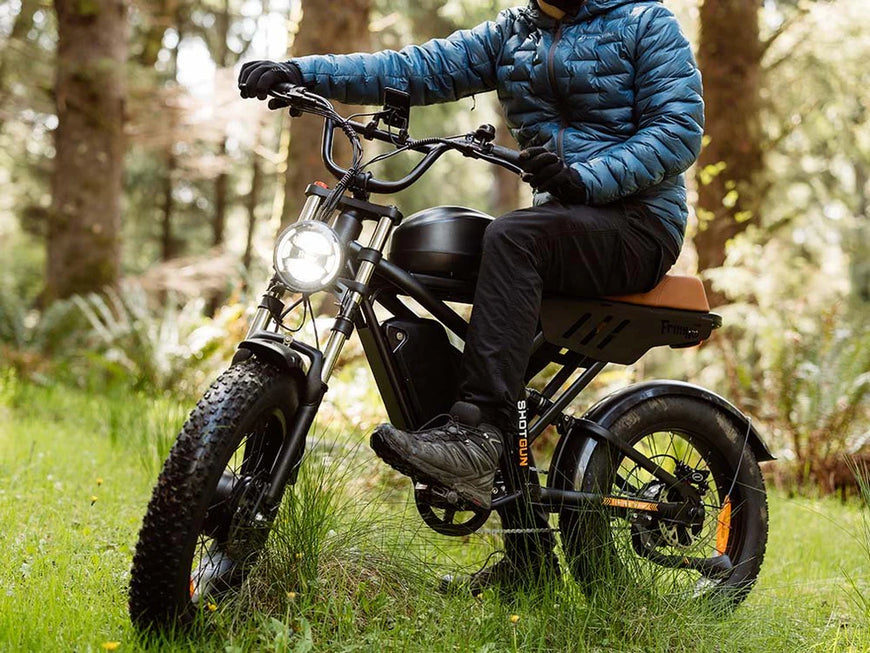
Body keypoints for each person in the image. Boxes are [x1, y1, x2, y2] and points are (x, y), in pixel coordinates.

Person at [239, 0, 704, 593]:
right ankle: (527, 555)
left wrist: (585, 178)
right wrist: (301, 72)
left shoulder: (644, 22)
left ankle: (477, 438)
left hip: (638, 223)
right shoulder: (514, 34)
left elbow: (677, 131)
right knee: (450, 253)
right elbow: (414, 68)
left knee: (512, 237)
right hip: (560, 223)